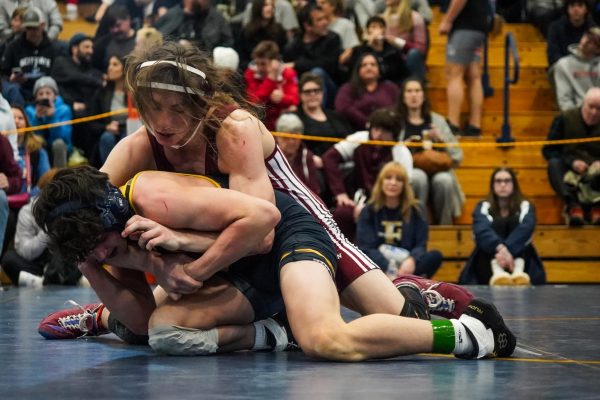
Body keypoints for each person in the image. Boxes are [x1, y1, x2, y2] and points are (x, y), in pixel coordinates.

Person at [47, 41, 476, 336]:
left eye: (177, 109)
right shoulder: (139, 146)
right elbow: (90, 200)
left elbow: (262, 232)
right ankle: (105, 317)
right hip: (224, 233)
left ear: (202, 103)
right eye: (153, 109)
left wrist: (180, 247)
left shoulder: (235, 130)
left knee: (390, 313)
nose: (163, 123)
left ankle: (409, 290)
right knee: (156, 311)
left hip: (285, 216)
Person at [35, 166, 516, 360]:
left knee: (326, 339)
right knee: (163, 332)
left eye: (98, 243)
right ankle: (272, 332)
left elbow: (262, 222)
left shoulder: (152, 197)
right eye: (87, 251)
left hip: (281, 235)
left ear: (110, 213)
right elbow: (140, 324)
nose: (101, 253)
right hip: (237, 270)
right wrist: (91, 263)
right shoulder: (101, 240)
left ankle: (467, 333)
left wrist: (183, 246)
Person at [322, 108, 411, 240]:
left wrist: (369, 208)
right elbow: (329, 158)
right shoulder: (360, 138)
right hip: (357, 197)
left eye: (385, 131)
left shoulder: (401, 152)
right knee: (342, 213)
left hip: (386, 202)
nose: (378, 134)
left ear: (394, 134)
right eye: (376, 129)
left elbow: (403, 188)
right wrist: (340, 193)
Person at [459, 167, 546, 286]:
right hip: (488, 265)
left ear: (514, 184)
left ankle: (518, 273)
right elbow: (481, 230)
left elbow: (527, 228)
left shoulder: (525, 205)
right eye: (498, 181)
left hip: (521, 262)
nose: (503, 185)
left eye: (507, 181)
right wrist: (501, 249)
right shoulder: (483, 206)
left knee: (517, 225)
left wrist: (508, 249)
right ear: (492, 185)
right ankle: (498, 273)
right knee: (496, 225)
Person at [396, 77, 464, 225]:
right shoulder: (397, 121)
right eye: (409, 91)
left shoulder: (437, 120)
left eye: (417, 91)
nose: (413, 95)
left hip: (437, 167)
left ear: (423, 95)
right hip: (410, 169)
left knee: (445, 180)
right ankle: (415, 225)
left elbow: (458, 156)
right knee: (418, 177)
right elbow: (389, 154)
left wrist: (442, 139)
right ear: (403, 96)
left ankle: (444, 228)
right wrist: (402, 147)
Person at [356, 161, 442, 278]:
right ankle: (406, 280)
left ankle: (406, 279)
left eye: (399, 179)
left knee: (435, 256)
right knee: (365, 256)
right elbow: (367, 247)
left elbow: (421, 245)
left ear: (405, 185)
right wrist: (388, 267)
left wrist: (411, 260)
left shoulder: (416, 210)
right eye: (388, 178)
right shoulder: (369, 210)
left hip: (406, 264)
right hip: (379, 265)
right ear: (381, 182)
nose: (393, 183)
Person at [0, 168, 84, 287]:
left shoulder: (70, 208)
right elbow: (25, 252)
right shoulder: (27, 211)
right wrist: (48, 231)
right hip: (37, 262)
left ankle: (45, 280)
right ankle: (51, 280)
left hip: (60, 261)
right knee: (9, 259)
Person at [544, 87, 600, 225]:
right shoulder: (564, 118)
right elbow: (549, 150)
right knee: (554, 164)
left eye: (599, 109)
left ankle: (597, 207)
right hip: (570, 168)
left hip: (597, 172)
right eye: (591, 107)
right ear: (583, 103)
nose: (594, 112)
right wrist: (572, 162)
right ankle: (573, 206)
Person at [439, 0, 489, 136]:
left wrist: (447, 20)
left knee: (454, 74)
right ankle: (475, 125)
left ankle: (453, 124)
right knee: (474, 76)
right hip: (478, 26)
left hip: (464, 27)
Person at [283, 4, 343, 108]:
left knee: (317, 73)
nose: (325, 22)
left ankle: (318, 114)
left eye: (325, 18)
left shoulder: (332, 39)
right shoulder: (293, 46)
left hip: (330, 89)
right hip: (301, 89)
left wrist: (297, 64)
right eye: (320, 20)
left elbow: (328, 66)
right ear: (307, 26)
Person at [0, 6, 58, 101]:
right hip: (21, 89)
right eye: (28, 28)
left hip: (45, 90)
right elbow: (3, 73)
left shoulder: (52, 47)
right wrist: (10, 79)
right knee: (13, 89)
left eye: (34, 28)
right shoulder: (13, 46)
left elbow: (56, 75)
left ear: (43, 25)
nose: (31, 32)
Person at [334, 53, 400, 131]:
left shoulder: (391, 87)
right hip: (356, 132)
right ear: (358, 70)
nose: (369, 67)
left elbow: (399, 108)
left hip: (388, 132)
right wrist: (367, 122)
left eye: (373, 64)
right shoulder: (348, 88)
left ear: (379, 69)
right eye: (364, 65)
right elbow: (343, 108)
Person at [295, 72, 353, 159]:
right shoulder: (295, 119)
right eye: (307, 92)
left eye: (316, 91)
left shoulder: (336, 116)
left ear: (322, 93)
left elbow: (350, 139)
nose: (312, 94)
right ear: (300, 95)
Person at [244, 40, 299, 130]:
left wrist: (282, 98)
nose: (259, 68)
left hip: (282, 123)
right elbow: (253, 101)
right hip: (259, 121)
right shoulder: (250, 73)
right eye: (257, 63)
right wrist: (271, 78)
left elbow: (295, 100)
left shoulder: (288, 73)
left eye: (263, 64)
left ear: (274, 62)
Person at [344, 16, 410, 85]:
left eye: (380, 27)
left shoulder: (393, 50)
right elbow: (354, 71)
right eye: (373, 27)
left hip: (390, 85)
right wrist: (369, 45)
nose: (377, 30)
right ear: (368, 30)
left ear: (384, 30)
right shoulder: (359, 50)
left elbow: (403, 73)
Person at [24, 76, 72, 168]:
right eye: (40, 94)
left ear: (55, 96)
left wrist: (52, 117)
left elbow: (64, 138)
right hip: (40, 146)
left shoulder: (64, 109)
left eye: (48, 93)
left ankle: (61, 179)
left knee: (58, 144)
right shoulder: (30, 111)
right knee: (35, 144)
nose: (44, 96)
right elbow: (30, 137)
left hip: (60, 148)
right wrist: (37, 118)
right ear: (36, 97)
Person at [89, 56, 128, 166]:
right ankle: (109, 177)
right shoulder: (101, 93)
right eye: (109, 65)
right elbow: (92, 124)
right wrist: (106, 127)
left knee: (127, 137)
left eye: (115, 64)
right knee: (107, 137)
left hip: (129, 130)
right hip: (110, 131)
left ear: (124, 69)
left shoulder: (134, 92)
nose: (110, 68)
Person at [153, 0, 234, 53]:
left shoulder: (216, 18)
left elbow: (228, 43)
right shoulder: (173, 14)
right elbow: (157, 35)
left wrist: (194, 47)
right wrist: (177, 44)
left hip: (203, 60)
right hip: (170, 56)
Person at [553, 26, 600, 112]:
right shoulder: (564, 65)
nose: (585, 42)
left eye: (592, 42)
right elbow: (564, 100)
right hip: (575, 116)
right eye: (586, 36)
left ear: (598, 49)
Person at [274, 112, 321, 196]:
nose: (291, 142)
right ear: (278, 137)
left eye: (295, 137)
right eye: (286, 137)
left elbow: (314, 190)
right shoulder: (271, 157)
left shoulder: (307, 156)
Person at [381, 0, 427, 80]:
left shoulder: (415, 17)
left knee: (414, 54)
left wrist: (397, 42)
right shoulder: (381, 19)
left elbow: (421, 48)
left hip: (407, 59)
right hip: (389, 60)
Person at [236, 0, 288, 70]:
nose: (270, 8)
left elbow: (283, 53)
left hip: (275, 69)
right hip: (252, 69)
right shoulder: (247, 31)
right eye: (265, 5)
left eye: (271, 5)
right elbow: (241, 56)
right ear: (257, 8)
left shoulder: (279, 30)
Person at [12, 105, 50, 197]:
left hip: (31, 201)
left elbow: (45, 182)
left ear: (27, 123)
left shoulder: (38, 151)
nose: (17, 121)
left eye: (20, 118)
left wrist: (29, 197)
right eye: (12, 118)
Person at [547, 0, 595, 68]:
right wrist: (570, 66)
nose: (576, 9)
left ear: (586, 9)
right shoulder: (555, 28)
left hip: (587, 71)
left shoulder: (593, 30)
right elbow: (553, 54)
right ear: (567, 9)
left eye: (580, 5)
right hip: (563, 70)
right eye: (572, 6)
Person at [92, 4, 136, 72]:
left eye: (118, 25)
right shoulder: (103, 44)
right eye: (112, 27)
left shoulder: (141, 41)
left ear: (128, 19)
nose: (115, 30)